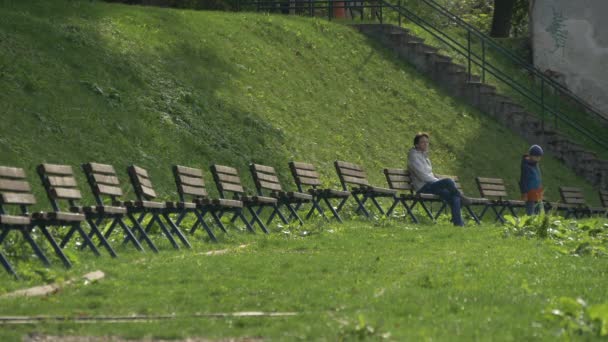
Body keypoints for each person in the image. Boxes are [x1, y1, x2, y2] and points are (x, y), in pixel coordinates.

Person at [407, 132, 472, 226]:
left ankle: (459, 225)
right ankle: (461, 197)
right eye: (422, 142)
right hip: (423, 187)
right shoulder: (413, 156)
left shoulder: (424, 155)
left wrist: (437, 180)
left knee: (454, 197)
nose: (426, 144)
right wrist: (439, 182)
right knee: (449, 182)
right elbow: (423, 176)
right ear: (416, 144)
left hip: (431, 186)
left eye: (427, 142)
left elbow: (429, 173)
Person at [519, 144, 544, 215]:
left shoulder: (536, 164)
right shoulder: (526, 165)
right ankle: (530, 224)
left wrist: (540, 189)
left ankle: (540, 225)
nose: (538, 158)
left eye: (539, 157)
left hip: (538, 191)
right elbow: (523, 179)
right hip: (530, 192)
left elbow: (538, 178)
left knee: (541, 212)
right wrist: (524, 192)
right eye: (536, 156)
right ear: (531, 155)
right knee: (530, 212)